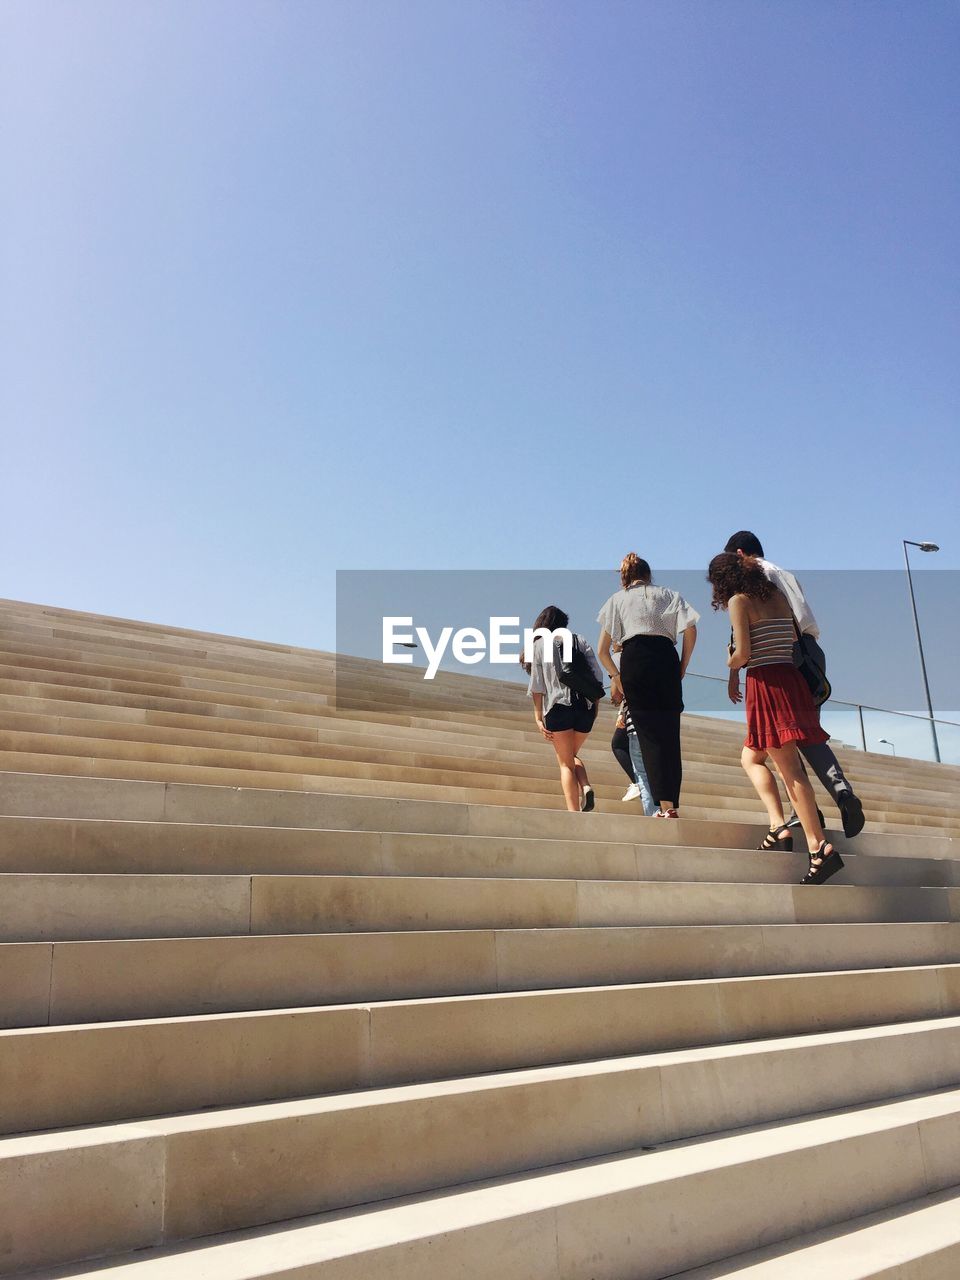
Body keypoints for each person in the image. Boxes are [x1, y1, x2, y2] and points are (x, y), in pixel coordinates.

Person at [708, 553, 844, 885]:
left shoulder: (739, 602)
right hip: (790, 679)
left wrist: (728, 663)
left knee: (790, 770)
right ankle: (778, 825)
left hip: (767, 685)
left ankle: (818, 848)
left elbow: (742, 654)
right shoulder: (778, 596)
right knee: (751, 756)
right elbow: (794, 639)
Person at [724, 531, 865, 839]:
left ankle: (805, 812)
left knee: (783, 733)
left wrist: (734, 667)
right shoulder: (784, 572)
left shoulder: (755, 578)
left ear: (740, 554)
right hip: (810, 650)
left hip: (781, 656)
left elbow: (749, 631)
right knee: (808, 731)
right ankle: (841, 792)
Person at [597, 554, 700, 818]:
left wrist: (616, 678)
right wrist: (683, 666)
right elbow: (691, 630)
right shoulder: (668, 594)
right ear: (648, 573)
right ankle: (670, 805)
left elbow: (602, 652)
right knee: (669, 734)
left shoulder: (616, 600)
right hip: (666, 657)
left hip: (635, 660)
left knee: (647, 737)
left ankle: (660, 808)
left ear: (624, 577)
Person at [522, 605, 604, 813]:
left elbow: (537, 686)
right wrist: (595, 706)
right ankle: (585, 786)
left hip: (558, 708)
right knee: (570, 755)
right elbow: (597, 676)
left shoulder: (539, 645)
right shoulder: (579, 640)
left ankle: (573, 813)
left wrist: (538, 718)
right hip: (584, 707)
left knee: (565, 763)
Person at [612, 699, 658, 813]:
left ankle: (653, 811)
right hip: (659, 715)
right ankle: (662, 809)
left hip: (636, 715)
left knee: (642, 775)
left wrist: (621, 713)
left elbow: (622, 690)